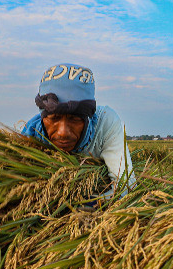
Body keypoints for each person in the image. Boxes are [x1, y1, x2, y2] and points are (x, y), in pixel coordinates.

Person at [20, 63, 136, 197]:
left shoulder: (105, 123)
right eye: (54, 118)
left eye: (74, 119)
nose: (63, 133)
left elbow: (126, 186)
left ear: (88, 118)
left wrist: (87, 205)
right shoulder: (32, 135)